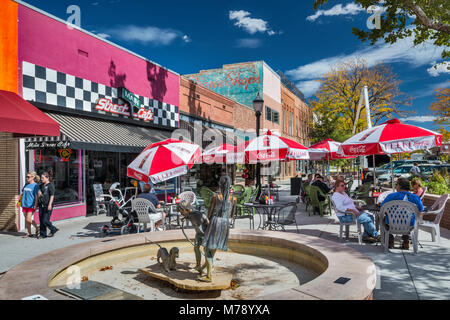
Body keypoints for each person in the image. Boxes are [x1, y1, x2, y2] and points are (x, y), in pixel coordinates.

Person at [380, 177, 424, 250]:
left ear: (399, 186)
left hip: (392, 224)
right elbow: (421, 211)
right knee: (410, 219)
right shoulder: (415, 197)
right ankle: (406, 241)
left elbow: (382, 208)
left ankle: (390, 240)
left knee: (383, 219)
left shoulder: (391, 196)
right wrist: (416, 220)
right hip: (409, 224)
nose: (396, 186)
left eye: (396, 184)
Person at [37, 172, 58, 238]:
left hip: (47, 205)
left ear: (47, 178)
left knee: (45, 220)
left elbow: (52, 195)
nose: (41, 179)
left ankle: (53, 229)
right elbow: (38, 193)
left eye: (43, 178)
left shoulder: (51, 185)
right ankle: (43, 234)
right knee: (41, 220)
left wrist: (50, 204)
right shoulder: (41, 185)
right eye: (41, 178)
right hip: (41, 205)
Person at [21, 171, 40, 238]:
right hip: (24, 204)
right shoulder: (26, 184)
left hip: (31, 205)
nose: (27, 178)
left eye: (28, 177)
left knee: (28, 219)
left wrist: (35, 205)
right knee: (26, 219)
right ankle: (29, 233)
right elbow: (23, 193)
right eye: (26, 176)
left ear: (33, 177)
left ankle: (37, 228)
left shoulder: (35, 185)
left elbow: (36, 196)